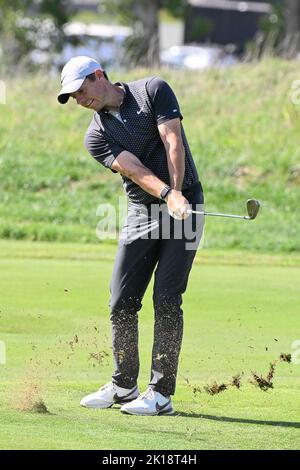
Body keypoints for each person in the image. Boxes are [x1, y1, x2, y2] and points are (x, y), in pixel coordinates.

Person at [57, 56, 204, 416]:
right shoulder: (96, 135)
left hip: (186, 206)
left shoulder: (152, 90)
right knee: (121, 299)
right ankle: (124, 385)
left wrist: (179, 191)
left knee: (167, 297)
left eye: (80, 90)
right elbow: (134, 169)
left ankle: (160, 393)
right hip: (142, 211)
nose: (79, 100)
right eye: (72, 97)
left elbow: (173, 142)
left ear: (98, 75)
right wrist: (167, 194)